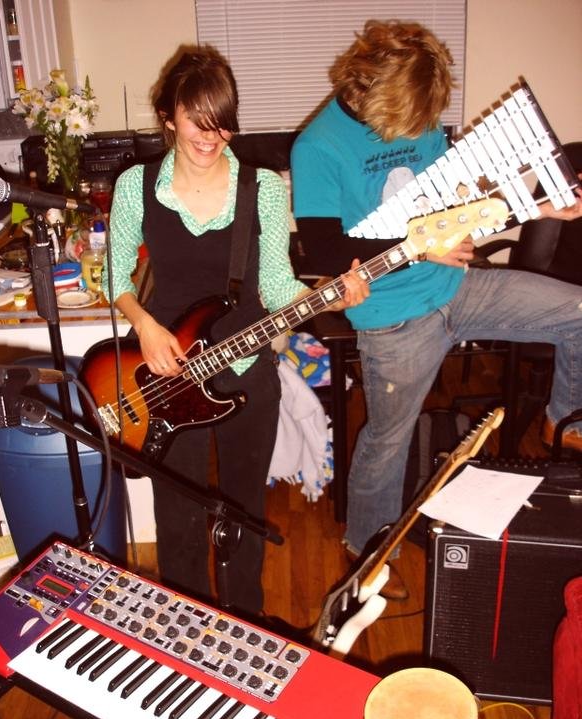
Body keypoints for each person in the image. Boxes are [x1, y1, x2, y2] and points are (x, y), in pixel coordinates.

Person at [291, 19, 582, 565]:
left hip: (457, 286)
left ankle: (564, 423)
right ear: (368, 87)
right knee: (388, 441)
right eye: (410, 119)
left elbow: (458, 212)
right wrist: (422, 246)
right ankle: (367, 551)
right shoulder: (317, 147)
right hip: (393, 316)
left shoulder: (422, 115)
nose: (421, 130)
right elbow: (326, 251)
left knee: (578, 312)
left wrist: (541, 208)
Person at [105, 44, 368, 618]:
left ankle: (244, 622)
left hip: (247, 369)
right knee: (176, 512)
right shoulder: (135, 186)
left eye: (223, 122)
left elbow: (275, 282)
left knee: (244, 510)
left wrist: (331, 294)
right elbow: (115, 276)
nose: (211, 136)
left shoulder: (262, 188)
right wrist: (144, 325)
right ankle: (181, 623)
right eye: (197, 120)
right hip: (168, 374)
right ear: (167, 114)